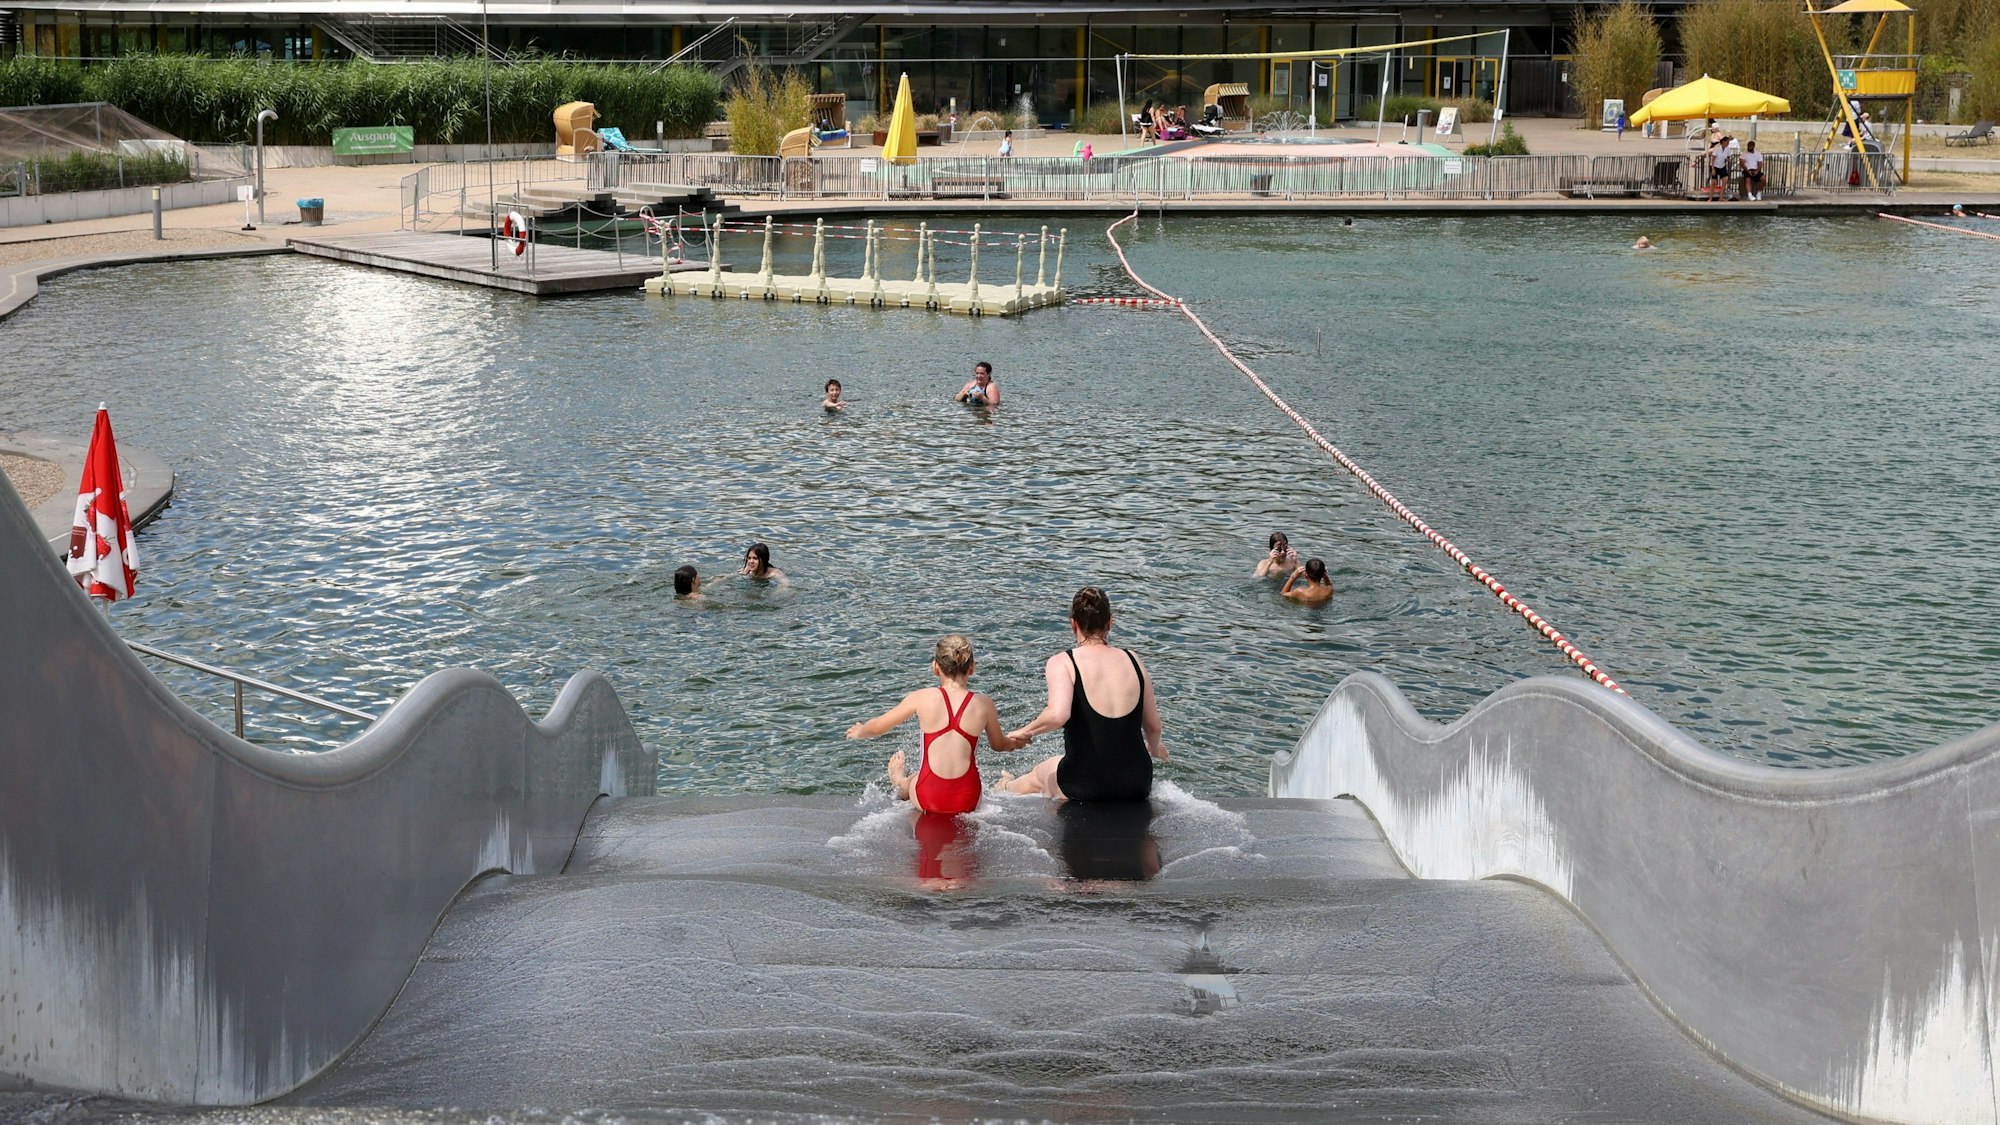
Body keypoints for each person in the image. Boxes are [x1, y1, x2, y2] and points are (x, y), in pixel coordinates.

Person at [998, 587, 1165, 803]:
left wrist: (1025, 731)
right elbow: (1153, 726)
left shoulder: (1064, 662)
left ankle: (1006, 786)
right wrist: (1154, 748)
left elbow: (1058, 715)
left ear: (1073, 624)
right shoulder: (1133, 659)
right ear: (1110, 622)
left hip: (1085, 784)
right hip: (1138, 783)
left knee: (1042, 772)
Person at [846, 634, 1027, 815]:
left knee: (914, 779)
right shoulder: (984, 704)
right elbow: (999, 745)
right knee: (978, 785)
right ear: (972, 668)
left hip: (929, 798)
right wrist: (1015, 743)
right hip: (968, 800)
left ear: (935, 667)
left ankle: (901, 782)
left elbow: (878, 727)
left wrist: (860, 731)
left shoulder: (923, 697)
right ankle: (1003, 784)